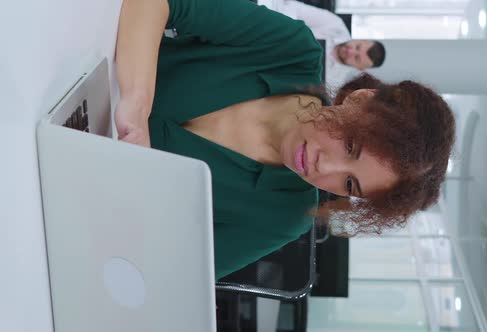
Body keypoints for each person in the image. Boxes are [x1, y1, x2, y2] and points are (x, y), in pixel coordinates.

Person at [115, 0, 455, 280]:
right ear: (361, 99)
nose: (326, 168)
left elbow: (170, 275)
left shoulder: (287, 214)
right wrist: (136, 102)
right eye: (351, 146)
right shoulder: (290, 50)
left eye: (350, 184)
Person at [273, 0, 386, 91]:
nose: (350, 51)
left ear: (359, 68)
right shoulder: (335, 23)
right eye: (357, 46)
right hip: (274, 34)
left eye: (356, 58)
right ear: (361, 39)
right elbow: (291, 7)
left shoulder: (334, 83)